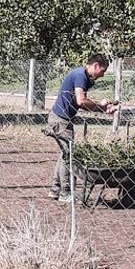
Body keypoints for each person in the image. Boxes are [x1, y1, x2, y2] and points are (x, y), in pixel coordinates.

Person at [47, 53, 117, 202]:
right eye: (103, 71)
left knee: (64, 154)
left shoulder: (82, 76)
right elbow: (81, 101)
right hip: (61, 120)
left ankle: (55, 189)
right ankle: (65, 193)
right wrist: (101, 106)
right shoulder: (80, 76)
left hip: (61, 118)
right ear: (95, 66)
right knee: (68, 156)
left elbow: (83, 102)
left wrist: (103, 107)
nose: (103, 75)